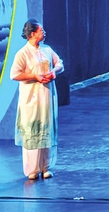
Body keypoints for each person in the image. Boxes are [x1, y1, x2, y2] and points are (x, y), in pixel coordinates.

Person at [10, 19, 64, 180]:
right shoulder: (23, 53)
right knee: (32, 131)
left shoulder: (47, 49)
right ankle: (32, 169)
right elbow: (14, 74)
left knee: (46, 130)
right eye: (41, 30)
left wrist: (53, 71)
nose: (44, 33)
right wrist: (34, 76)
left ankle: (46, 167)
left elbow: (59, 63)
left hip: (46, 97)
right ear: (32, 34)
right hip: (31, 98)